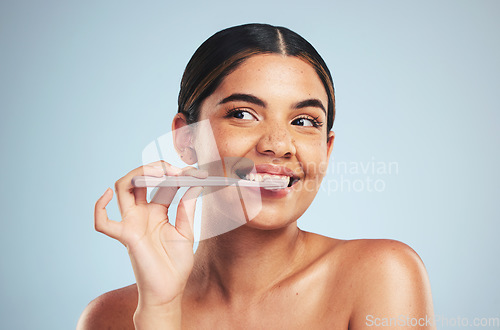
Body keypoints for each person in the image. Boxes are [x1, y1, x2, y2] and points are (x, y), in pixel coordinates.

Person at [77, 23, 435, 329]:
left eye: (304, 122)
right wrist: (160, 312)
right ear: (186, 139)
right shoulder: (110, 317)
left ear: (326, 150)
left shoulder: (382, 276)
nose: (279, 145)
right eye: (244, 114)